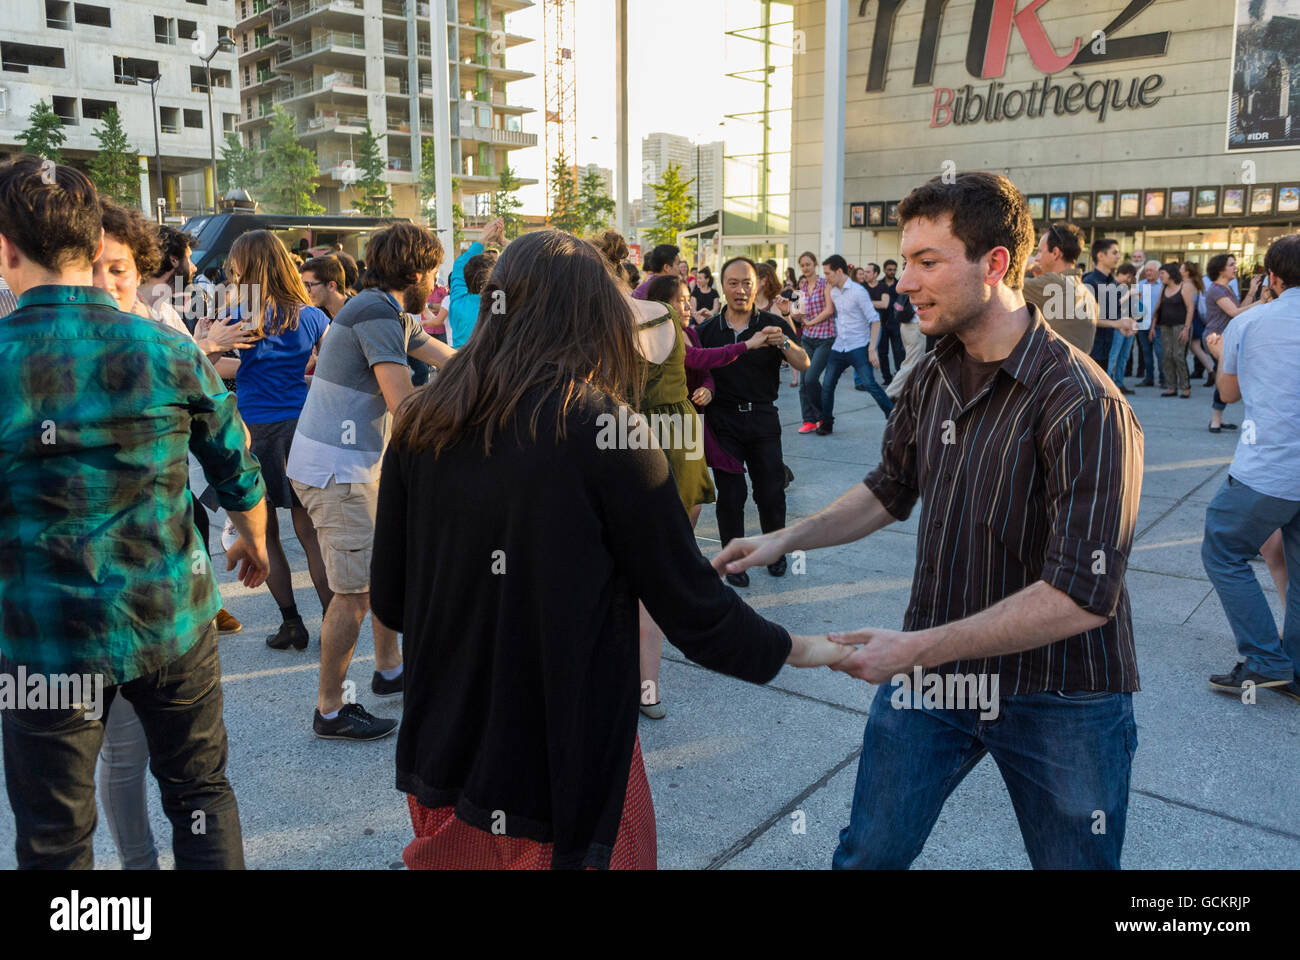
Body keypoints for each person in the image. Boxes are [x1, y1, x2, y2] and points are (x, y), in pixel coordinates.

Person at [370, 229, 850, 870]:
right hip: (561, 756)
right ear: (592, 317)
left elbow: (392, 599)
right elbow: (693, 608)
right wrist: (808, 649)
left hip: (443, 750)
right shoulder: (605, 428)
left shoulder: (425, 419)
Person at [714, 171, 1145, 869]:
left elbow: (1082, 595)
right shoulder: (934, 370)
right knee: (868, 857)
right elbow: (890, 488)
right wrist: (783, 539)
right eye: (905, 259)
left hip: (1061, 696)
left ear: (995, 263)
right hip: (933, 681)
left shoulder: (1082, 403)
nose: (905, 282)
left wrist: (912, 651)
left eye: (928, 262)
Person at [0, 156, 270, 869]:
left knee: (55, 838)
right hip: (170, 617)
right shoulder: (164, 349)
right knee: (199, 796)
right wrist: (256, 542)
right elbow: (234, 465)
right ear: (94, 251)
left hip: (43, 642)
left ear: (4, 250)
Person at [90, 199, 255, 871]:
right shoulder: (24, 337)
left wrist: (245, 532)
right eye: (90, 268)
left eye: (119, 270)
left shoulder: (160, 330)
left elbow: (225, 437)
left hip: (161, 591)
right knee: (117, 759)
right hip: (70, 605)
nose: (105, 285)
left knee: (187, 773)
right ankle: (136, 867)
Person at [286, 222, 456, 741]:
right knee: (354, 593)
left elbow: (451, 360)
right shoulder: (378, 313)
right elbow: (404, 405)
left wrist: (501, 367)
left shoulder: (385, 310)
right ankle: (331, 709)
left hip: (352, 463)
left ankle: (389, 669)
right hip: (338, 472)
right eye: (432, 268)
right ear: (416, 269)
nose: (435, 278)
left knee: (381, 569)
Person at [220, 231, 334, 651]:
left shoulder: (238, 314)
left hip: (254, 430)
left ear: (246, 268)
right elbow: (333, 364)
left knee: (263, 531)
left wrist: (246, 367)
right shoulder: (310, 315)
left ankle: (291, 624)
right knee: (310, 531)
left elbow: (209, 361)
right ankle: (331, 620)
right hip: (305, 425)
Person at [1201, 234, 1300, 704]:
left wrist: (1223, 354)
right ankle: (1295, 669)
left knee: (1222, 548)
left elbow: (1229, 393)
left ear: (1274, 278)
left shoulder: (1252, 322)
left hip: (1270, 468)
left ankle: (1265, 658)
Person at [696, 257, 809, 588]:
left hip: (762, 418)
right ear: (723, 286)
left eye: (747, 283)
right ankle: (734, 560)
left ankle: (774, 553)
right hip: (723, 420)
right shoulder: (707, 331)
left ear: (756, 285)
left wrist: (784, 342)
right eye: (733, 283)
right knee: (731, 495)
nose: (741, 290)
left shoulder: (773, 324)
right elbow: (697, 369)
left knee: (771, 492)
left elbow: (803, 362)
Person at [817, 254, 894, 435]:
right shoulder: (833, 291)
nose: (826, 278)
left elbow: (875, 320)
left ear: (839, 271)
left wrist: (871, 349)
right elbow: (829, 312)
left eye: (828, 274)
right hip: (839, 347)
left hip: (858, 346)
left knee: (869, 384)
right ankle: (827, 423)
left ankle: (894, 419)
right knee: (827, 385)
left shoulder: (858, 292)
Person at [1204, 252, 1263, 433]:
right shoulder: (1216, 289)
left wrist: (1252, 291)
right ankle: (1215, 419)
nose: (1235, 267)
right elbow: (1234, 313)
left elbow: (1239, 310)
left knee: (1229, 376)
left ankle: (1219, 417)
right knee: (1224, 376)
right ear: (1221, 269)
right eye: (1231, 264)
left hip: (1227, 338)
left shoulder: (1227, 289)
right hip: (1217, 339)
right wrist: (1262, 302)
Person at [1022, 222, 1099, 354]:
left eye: (1040, 251)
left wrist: (1024, 264)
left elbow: (1001, 286)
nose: (1037, 258)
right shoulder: (1087, 293)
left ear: (1056, 253)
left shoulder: (1052, 283)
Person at [792, 251, 836, 433]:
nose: (805, 268)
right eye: (802, 265)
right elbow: (796, 314)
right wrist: (792, 311)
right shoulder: (800, 288)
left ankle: (823, 416)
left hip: (825, 338)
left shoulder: (825, 284)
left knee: (811, 378)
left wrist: (809, 321)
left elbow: (829, 310)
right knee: (803, 382)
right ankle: (809, 420)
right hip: (808, 338)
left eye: (808, 264)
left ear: (815, 264)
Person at [1083, 238, 1136, 379]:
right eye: (1114, 253)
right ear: (1101, 256)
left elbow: (1113, 314)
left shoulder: (1112, 282)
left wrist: (1124, 325)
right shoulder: (1089, 282)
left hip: (1107, 346)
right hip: (1090, 348)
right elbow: (1086, 318)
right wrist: (1116, 324)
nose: (1119, 257)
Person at [447, 218, 504, 348]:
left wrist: (483, 238)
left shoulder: (457, 301)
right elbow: (527, 267)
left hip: (460, 363)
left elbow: (460, 264)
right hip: (491, 364)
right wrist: (503, 242)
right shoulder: (499, 302)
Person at [1150, 262, 1194, 398]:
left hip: (1180, 326)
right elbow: (1157, 309)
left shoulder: (1183, 287)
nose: (1160, 276)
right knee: (1167, 356)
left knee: (1178, 356)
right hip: (1164, 326)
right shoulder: (1163, 289)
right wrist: (1152, 326)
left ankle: (1185, 387)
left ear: (1171, 274)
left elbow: (1190, 309)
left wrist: (1186, 329)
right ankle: (1172, 387)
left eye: (1162, 273)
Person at [1106, 263, 1140, 393]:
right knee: (1113, 356)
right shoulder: (1112, 286)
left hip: (1128, 325)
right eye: (1129, 276)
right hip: (1116, 326)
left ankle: (1119, 383)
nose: (1130, 280)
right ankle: (1108, 385)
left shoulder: (1130, 288)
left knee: (1124, 356)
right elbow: (1114, 304)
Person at [875, 260, 907, 384]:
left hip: (896, 323)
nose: (892, 272)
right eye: (889, 269)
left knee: (898, 352)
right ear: (884, 270)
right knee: (883, 353)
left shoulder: (900, 284)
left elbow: (904, 303)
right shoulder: (879, 285)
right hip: (881, 324)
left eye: (894, 269)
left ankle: (899, 378)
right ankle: (887, 378)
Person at [1134, 259, 1165, 387]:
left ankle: (1164, 379)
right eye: (1146, 270)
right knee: (1146, 352)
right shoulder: (1140, 284)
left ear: (1158, 272)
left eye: (1151, 270)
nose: (1148, 272)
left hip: (1158, 324)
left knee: (1160, 352)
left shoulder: (1163, 286)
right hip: (1142, 323)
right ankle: (1149, 378)